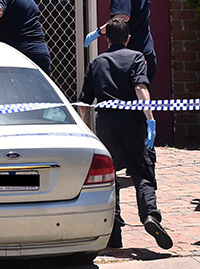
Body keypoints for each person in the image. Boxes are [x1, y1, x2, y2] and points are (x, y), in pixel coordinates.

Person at [77, 18, 172, 250]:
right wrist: (150, 119)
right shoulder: (137, 57)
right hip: (132, 121)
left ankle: (113, 232)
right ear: (128, 38)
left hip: (106, 122)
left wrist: (88, 133)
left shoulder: (96, 62)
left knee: (109, 177)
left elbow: (84, 104)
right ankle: (150, 215)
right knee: (141, 171)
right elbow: (141, 88)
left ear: (107, 40)